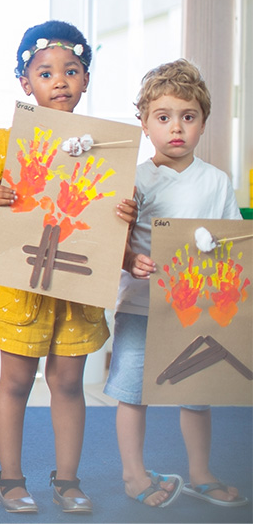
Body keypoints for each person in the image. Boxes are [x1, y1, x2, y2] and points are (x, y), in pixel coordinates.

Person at [0, 20, 137, 515]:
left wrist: (125, 214)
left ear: (86, 79)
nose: (60, 80)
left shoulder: (106, 146)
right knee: (16, 382)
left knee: (69, 383)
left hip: (78, 285)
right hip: (20, 287)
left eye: (72, 70)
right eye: (46, 73)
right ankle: (10, 478)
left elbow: (111, 217)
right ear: (26, 84)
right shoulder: (8, 139)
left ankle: (67, 479)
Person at [105, 59, 247, 508]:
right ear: (145, 125)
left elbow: (231, 244)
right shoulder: (133, 179)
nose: (176, 128)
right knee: (133, 392)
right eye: (163, 118)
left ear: (203, 123)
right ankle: (133, 475)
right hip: (141, 304)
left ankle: (201, 472)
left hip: (197, 306)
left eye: (188, 117)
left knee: (197, 394)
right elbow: (112, 242)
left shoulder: (217, 181)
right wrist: (131, 260)